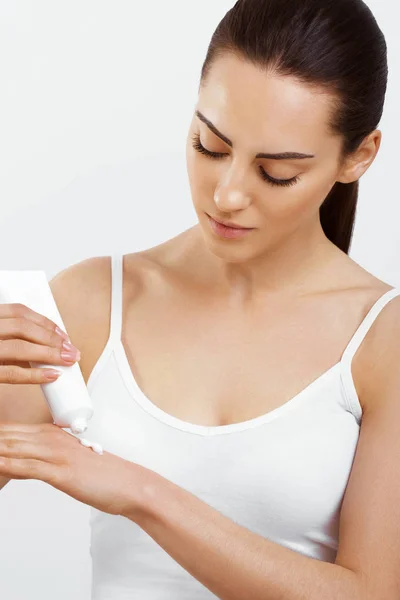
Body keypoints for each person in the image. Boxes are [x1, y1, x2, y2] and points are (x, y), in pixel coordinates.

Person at [1, 0, 399, 598]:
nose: (229, 193)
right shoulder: (91, 303)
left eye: (277, 172)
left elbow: (372, 592)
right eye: (210, 146)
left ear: (358, 156)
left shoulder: (382, 340)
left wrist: (144, 494)